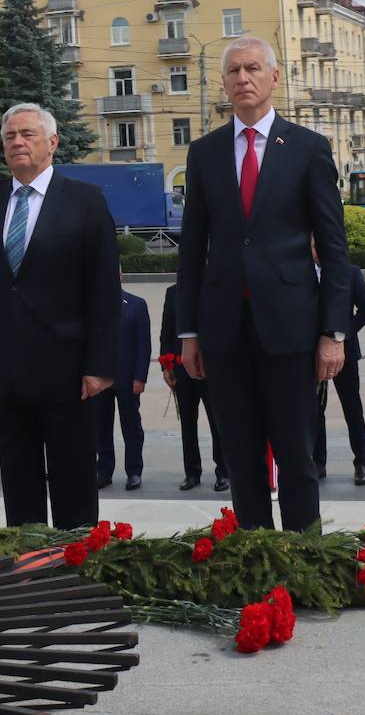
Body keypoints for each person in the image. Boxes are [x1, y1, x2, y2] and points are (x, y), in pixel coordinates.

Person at [176, 37, 349, 531]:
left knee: (297, 454)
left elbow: (334, 248)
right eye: (233, 71)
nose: (242, 78)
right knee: (240, 454)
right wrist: (188, 332)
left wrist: (333, 332)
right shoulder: (205, 152)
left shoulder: (307, 148)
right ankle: (253, 552)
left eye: (253, 68)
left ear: (274, 78)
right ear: (224, 82)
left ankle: (303, 556)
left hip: (291, 328)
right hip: (225, 331)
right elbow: (192, 248)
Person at [0, 103, 120, 528]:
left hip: (70, 373)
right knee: (18, 485)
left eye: (27, 134)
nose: (17, 142)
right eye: (9, 136)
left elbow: (104, 289)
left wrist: (101, 365)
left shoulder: (85, 201)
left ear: (52, 142)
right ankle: (27, 564)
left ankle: (73, 563)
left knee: (74, 484)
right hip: (5, 374)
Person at [311, 239, 365, 484]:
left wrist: (340, 336)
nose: (318, 251)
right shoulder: (303, 274)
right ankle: (318, 463)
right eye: (315, 246)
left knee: (352, 408)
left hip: (344, 351)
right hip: (311, 354)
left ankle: (361, 464)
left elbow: (364, 312)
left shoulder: (350, 273)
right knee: (315, 411)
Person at [160, 282, 226, 492]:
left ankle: (223, 472)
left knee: (218, 423)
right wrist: (166, 366)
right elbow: (166, 331)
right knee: (188, 424)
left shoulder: (214, 289)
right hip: (182, 370)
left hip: (211, 370)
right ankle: (192, 472)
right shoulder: (173, 293)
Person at [93, 273, 151, 491]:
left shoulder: (136, 305)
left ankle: (134, 471)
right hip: (100, 379)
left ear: (121, 276)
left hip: (127, 378)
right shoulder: (94, 306)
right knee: (101, 426)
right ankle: (104, 470)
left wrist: (140, 377)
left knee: (131, 426)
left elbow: (144, 345)